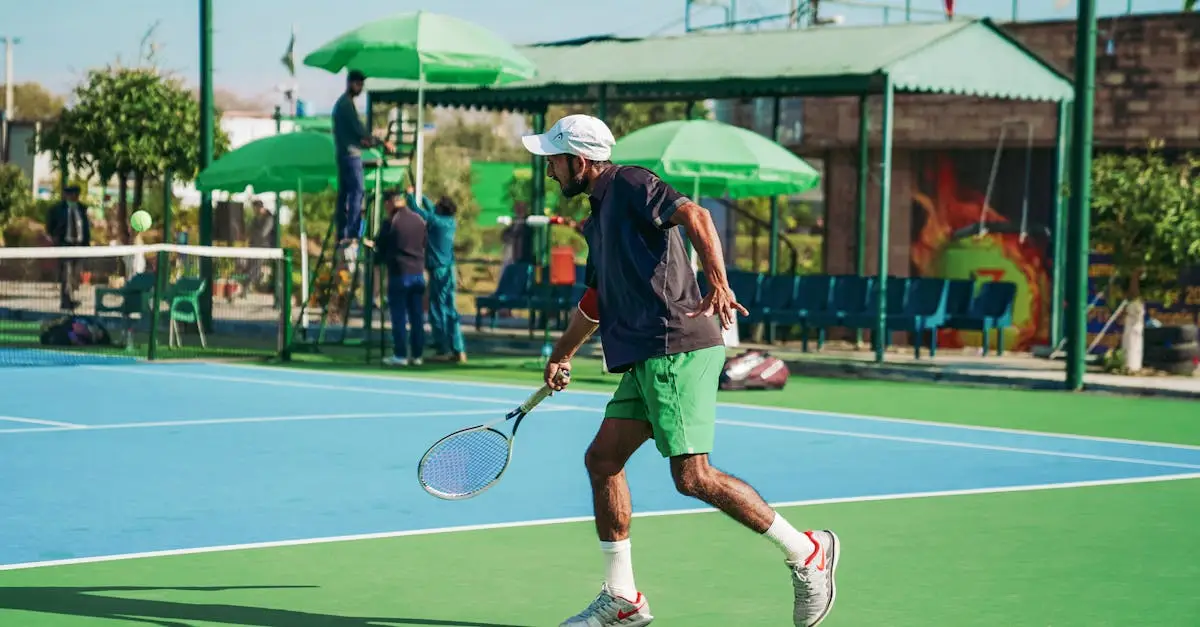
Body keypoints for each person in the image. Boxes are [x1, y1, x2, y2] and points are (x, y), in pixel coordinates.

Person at [523, 114, 840, 627]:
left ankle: (807, 552)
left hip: (674, 346)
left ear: (579, 161)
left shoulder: (629, 183)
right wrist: (561, 353)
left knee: (692, 477)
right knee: (603, 460)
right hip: (644, 356)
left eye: (554, 162)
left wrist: (718, 280)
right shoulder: (596, 217)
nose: (550, 172)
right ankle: (623, 598)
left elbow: (696, 216)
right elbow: (596, 299)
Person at [332, 69, 394, 258]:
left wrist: (368, 141)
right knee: (357, 192)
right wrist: (382, 142)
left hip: (345, 153)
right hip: (351, 155)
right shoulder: (346, 105)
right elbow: (360, 132)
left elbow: (358, 135)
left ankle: (343, 231)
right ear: (351, 83)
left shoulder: (343, 104)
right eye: (358, 84)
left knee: (345, 194)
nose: (360, 88)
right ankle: (351, 232)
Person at [406, 189, 467, 363]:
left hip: (439, 270)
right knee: (450, 309)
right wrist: (422, 195)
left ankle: (443, 347)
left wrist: (410, 195)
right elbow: (431, 209)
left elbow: (419, 212)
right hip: (449, 269)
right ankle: (457, 348)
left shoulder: (436, 222)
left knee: (438, 309)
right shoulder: (449, 222)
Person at [368, 191, 427, 367]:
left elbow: (381, 246)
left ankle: (400, 354)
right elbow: (425, 243)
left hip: (400, 273)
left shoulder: (391, 222)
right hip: (417, 273)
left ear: (389, 203)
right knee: (417, 317)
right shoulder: (418, 220)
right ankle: (417, 355)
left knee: (399, 317)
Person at [45, 185, 91, 310]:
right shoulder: (57, 209)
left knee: (76, 274)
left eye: (76, 194)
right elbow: (50, 227)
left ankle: (70, 297)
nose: (73, 196)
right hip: (65, 245)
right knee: (66, 273)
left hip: (80, 246)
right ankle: (66, 302)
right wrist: (56, 239)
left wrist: (87, 244)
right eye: (71, 194)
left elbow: (85, 227)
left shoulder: (82, 208)